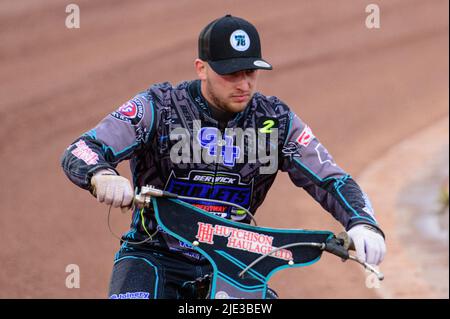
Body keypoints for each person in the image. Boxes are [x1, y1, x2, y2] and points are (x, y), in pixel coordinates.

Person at [61, 14, 386, 299]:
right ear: (201, 68)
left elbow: (330, 178)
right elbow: (83, 148)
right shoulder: (158, 107)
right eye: (231, 73)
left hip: (237, 258)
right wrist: (101, 176)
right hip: (154, 252)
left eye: (250, 72)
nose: (244, 84)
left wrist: (363, 222)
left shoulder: (275, 120)